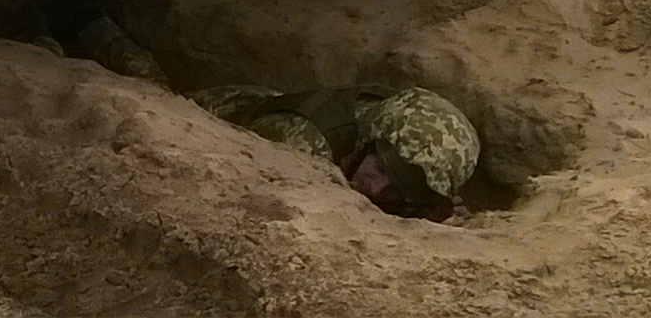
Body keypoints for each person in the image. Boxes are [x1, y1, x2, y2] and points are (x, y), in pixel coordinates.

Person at [192, 83, 480, 223]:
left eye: (398, 189)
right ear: (370, 141)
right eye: (381, 169)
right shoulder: (305, 145)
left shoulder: (395, 127)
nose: (376, 189)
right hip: (206, 119)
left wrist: (430, 213)